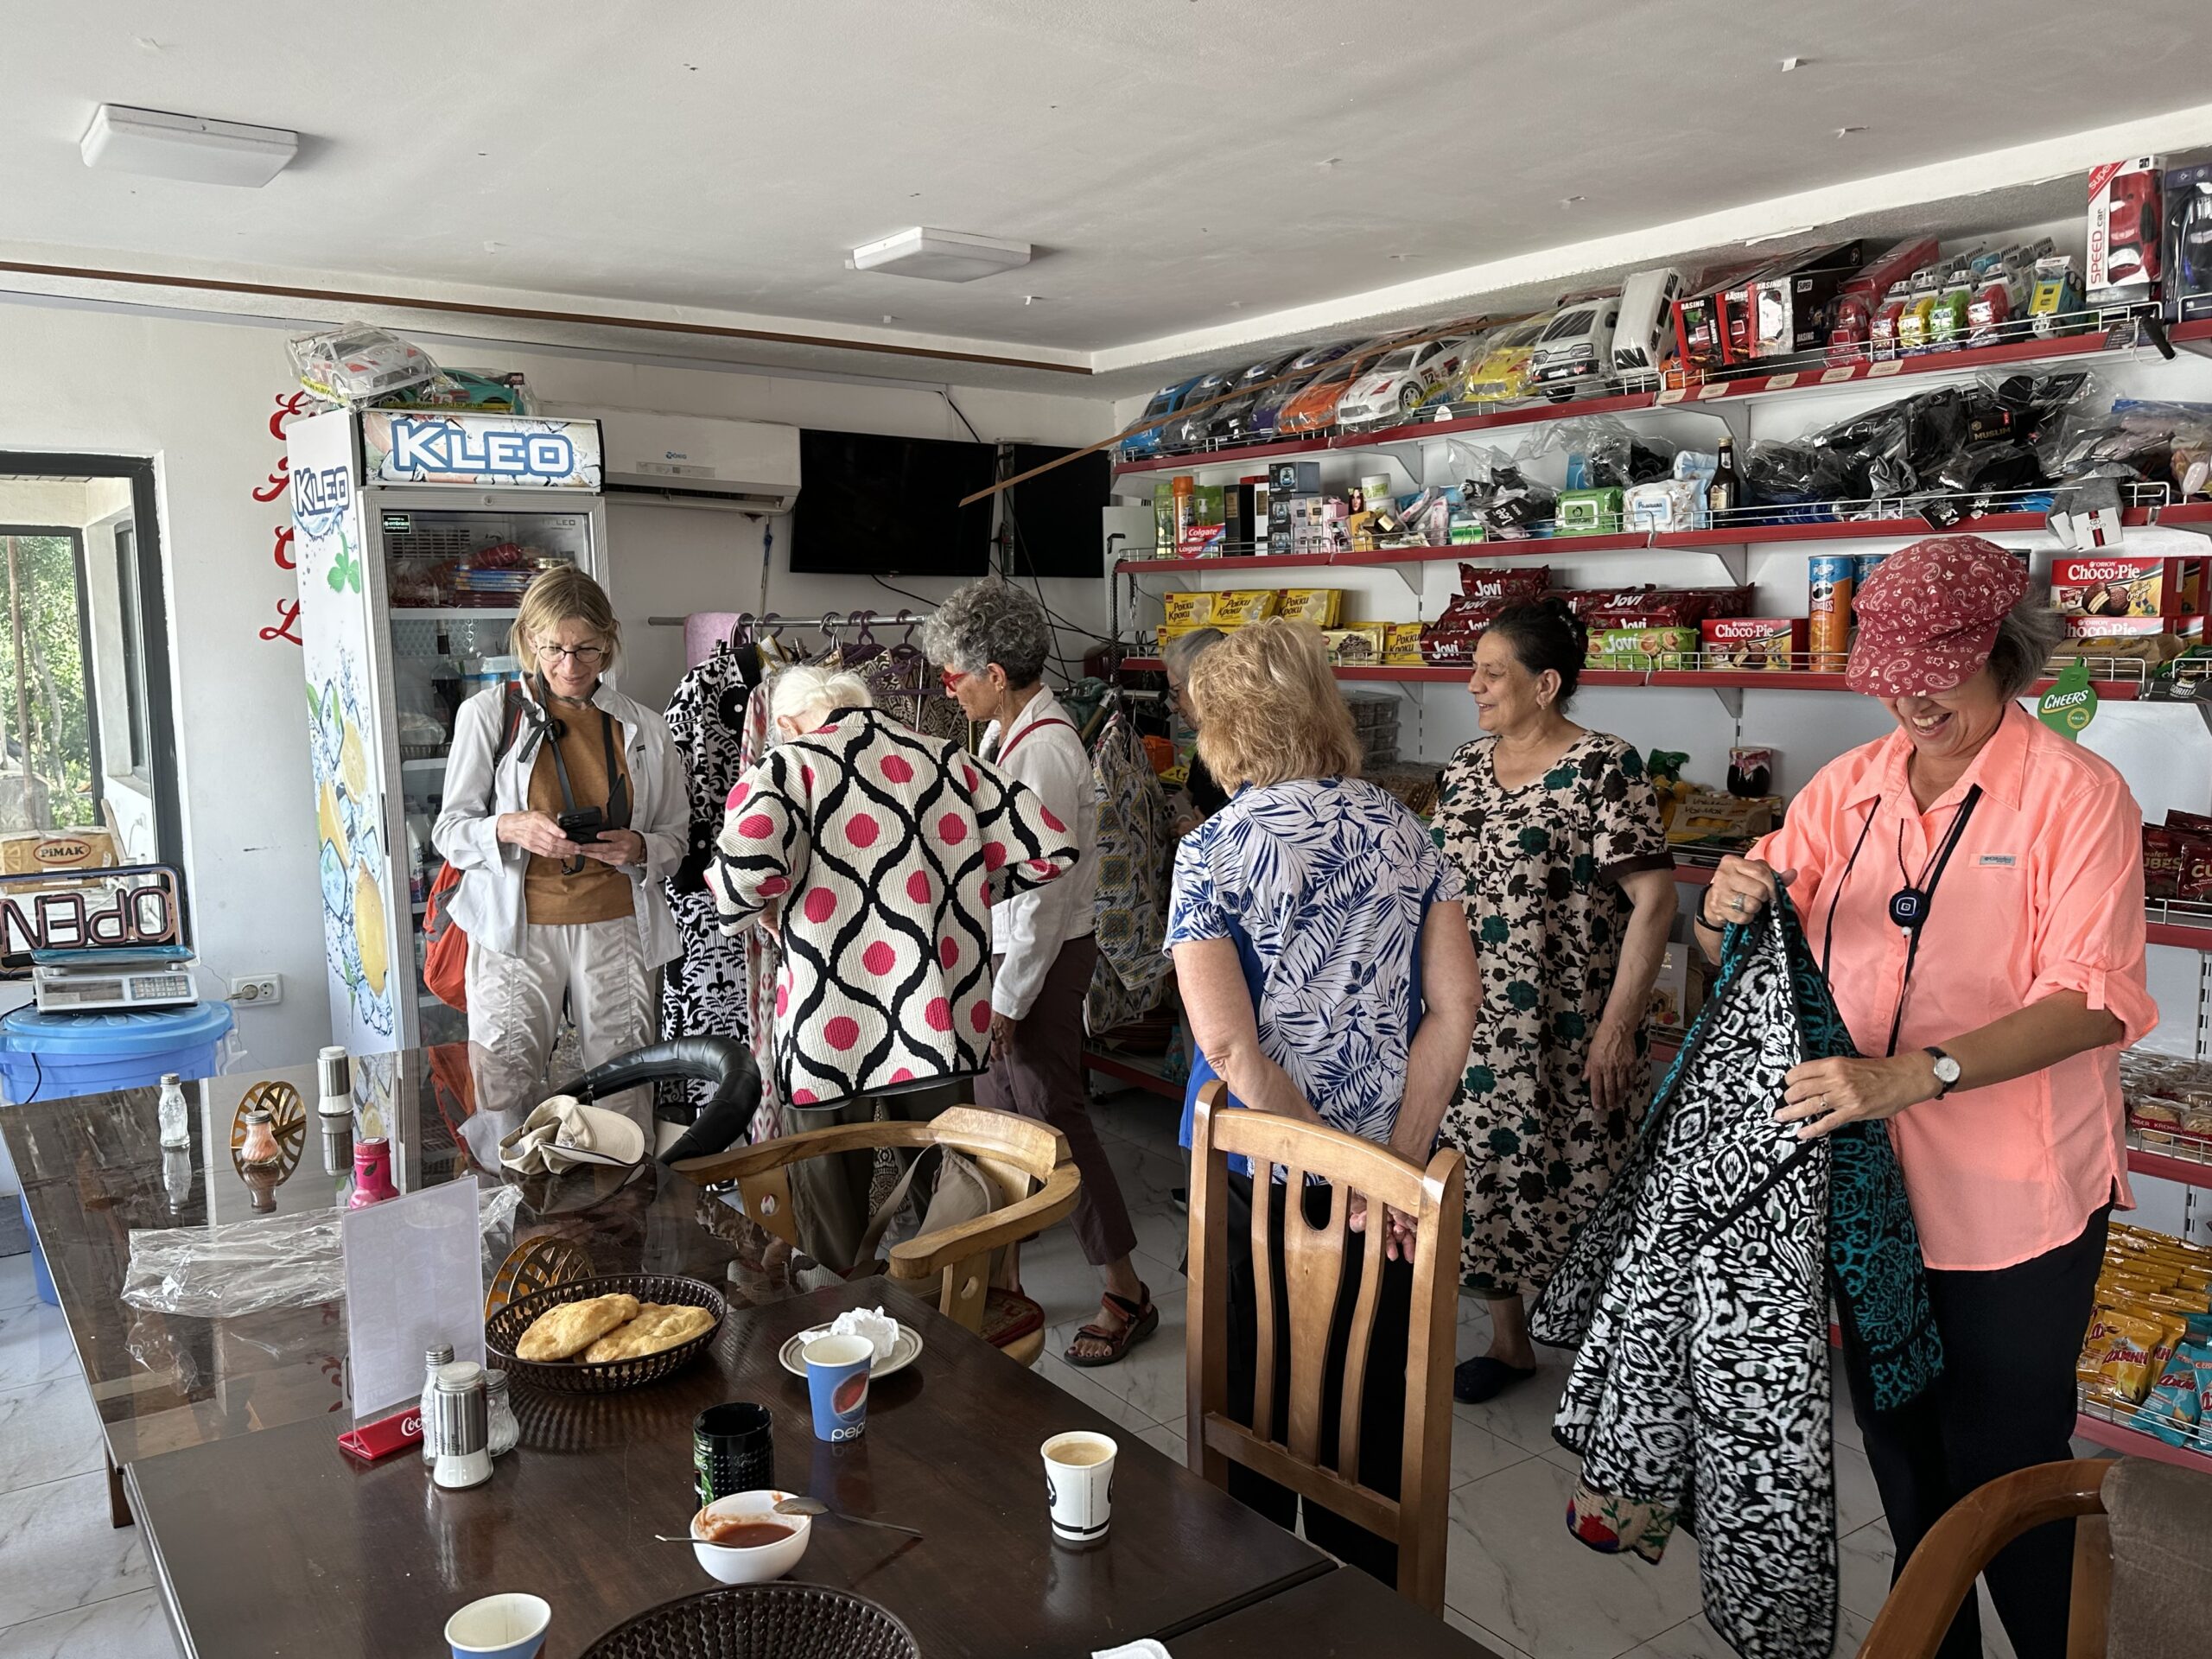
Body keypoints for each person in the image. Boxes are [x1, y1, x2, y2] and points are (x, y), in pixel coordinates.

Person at [1700, 535, 2153, 1659]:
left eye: (1937, 671)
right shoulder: (1848, 789)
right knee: (1906, 1468)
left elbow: (2094, 1002)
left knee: (2014, 1482)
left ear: (2004, 652)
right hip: (1870, 1198)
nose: (1912, 699)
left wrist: (1921, 1073)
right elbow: (1745, 949)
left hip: (2013, 1206)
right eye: (1891, 676)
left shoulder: (2075, 797)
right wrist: (1724, 908)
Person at [1167, 617, 1481, 1584]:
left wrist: (1328, 1170)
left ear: (1223, 729)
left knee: (1250, 1395)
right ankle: (1367, 1615)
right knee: (1371, 1400)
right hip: (1388, 1182)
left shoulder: (1211, 851)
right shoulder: (1409, 831)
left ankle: (1253, 1604)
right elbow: (1455, 1007)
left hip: (1257, 1169)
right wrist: (1388, 1170)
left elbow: (1229, 1045)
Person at [706, 662, 1080, 1268]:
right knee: (953, 1209)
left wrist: (769, 907)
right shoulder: (947, 760)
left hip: (827, 1028)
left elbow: (737, 880)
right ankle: (946, 1317)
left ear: (787, 722)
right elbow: (1050, 848)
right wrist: (961, 894)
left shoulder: (788, 767)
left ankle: (837, 1316)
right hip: (936, 1018)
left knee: (831, 1230)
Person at [1433, 597, 1676, 1403]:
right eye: (1474, 670)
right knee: (1481, 1187)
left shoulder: (1606, 766)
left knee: (1586, 1184)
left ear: (1546, 684)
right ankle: (1510, 1346)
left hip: (1570, 1028)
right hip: (1474, 1029)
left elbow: (1655, 899)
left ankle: (1611, 1368)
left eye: (1492, 672)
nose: (1474, 685)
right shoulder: (1464, 767)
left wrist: (1619, 1028)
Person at [924, 582, 1154, 1365]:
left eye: (955, 675)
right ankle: (1003, 1277)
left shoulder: (1044, 751)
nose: (949, 690)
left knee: (1054, 1124)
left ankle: (1126, 1289)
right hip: (1012, 954)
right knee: (999, 1122)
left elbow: (1040, 900)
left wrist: (1010, 1000)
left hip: (1040, 960)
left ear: (995, 673)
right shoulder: (1007, 734)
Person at [434, 565, 687, 1130]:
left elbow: (676, 838)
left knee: (624, 1093)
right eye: (554, 649)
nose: (570, 666)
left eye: (587, 649)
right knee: (506, 1090)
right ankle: (510, 1189)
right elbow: (450, 832)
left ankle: (622, 1190)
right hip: (517, 934)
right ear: (529, 640)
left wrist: (639, 848)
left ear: (608, 642)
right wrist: (510, 828)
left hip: (618, 930)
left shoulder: (646, 730)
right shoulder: (490, 716)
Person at [1162, 626, 1230, 828]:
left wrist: (1206, 831)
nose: (1175, 706)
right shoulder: (1207, 745)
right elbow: (1189, 794)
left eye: (1176, 692)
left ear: (1203, 687)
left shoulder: (1244, 753)